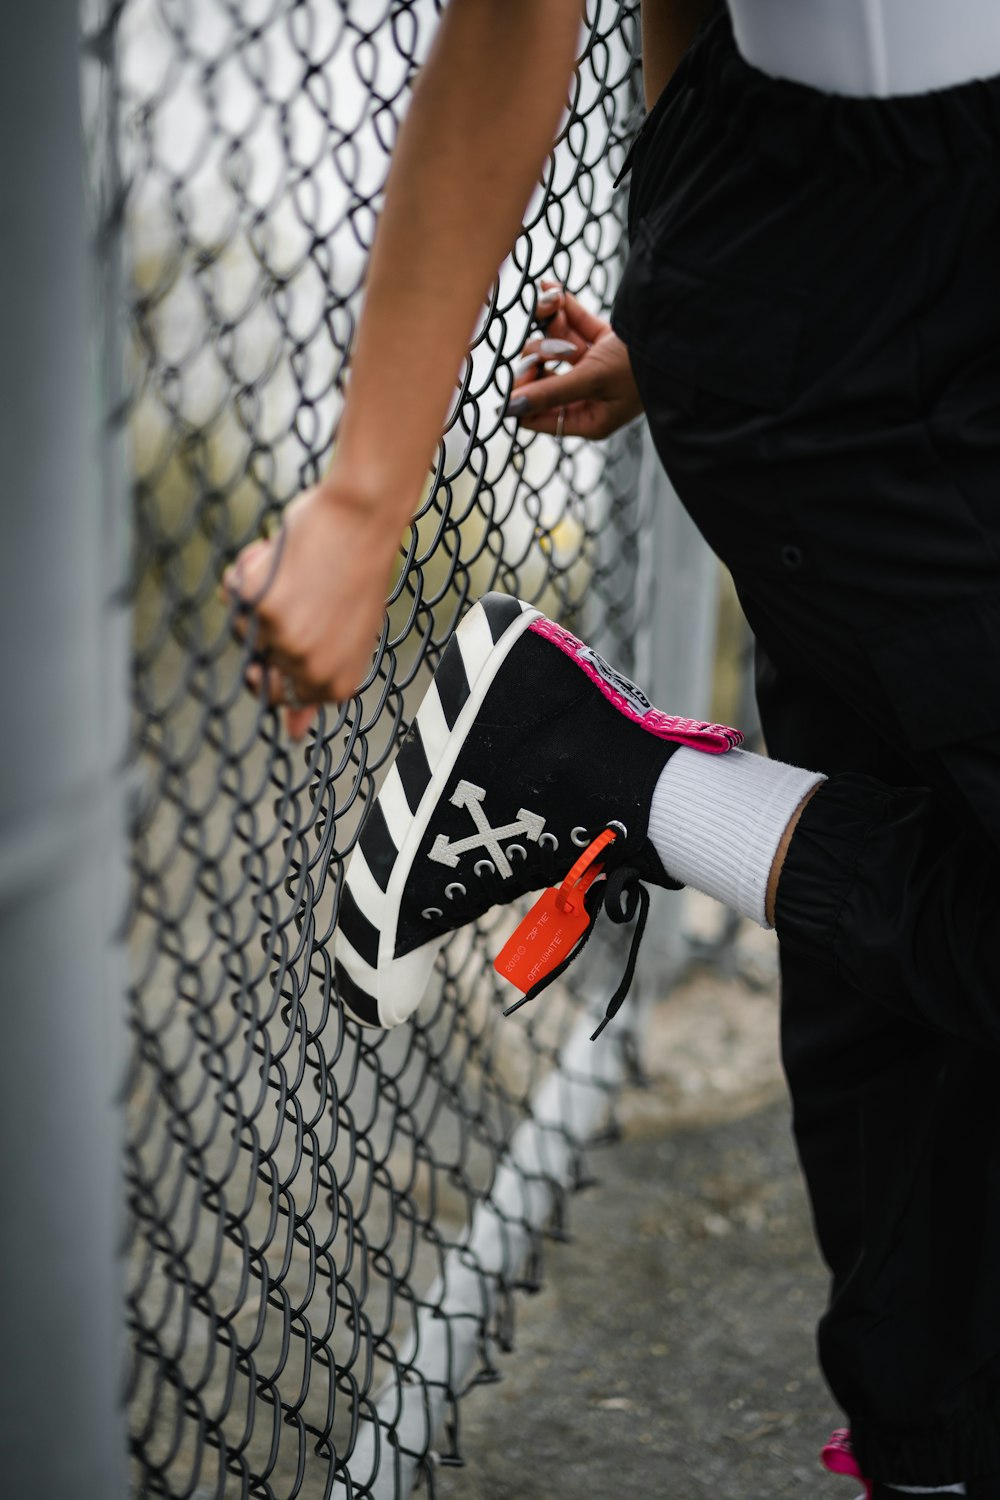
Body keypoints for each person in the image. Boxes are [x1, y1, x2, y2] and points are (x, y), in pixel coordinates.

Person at [223, 2, 1000, 1494]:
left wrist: (709, 254)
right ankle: (594, 769)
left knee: (901, 905)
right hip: (878, 295)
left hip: (851, 259)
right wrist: (365, 499)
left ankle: (933, 1441)